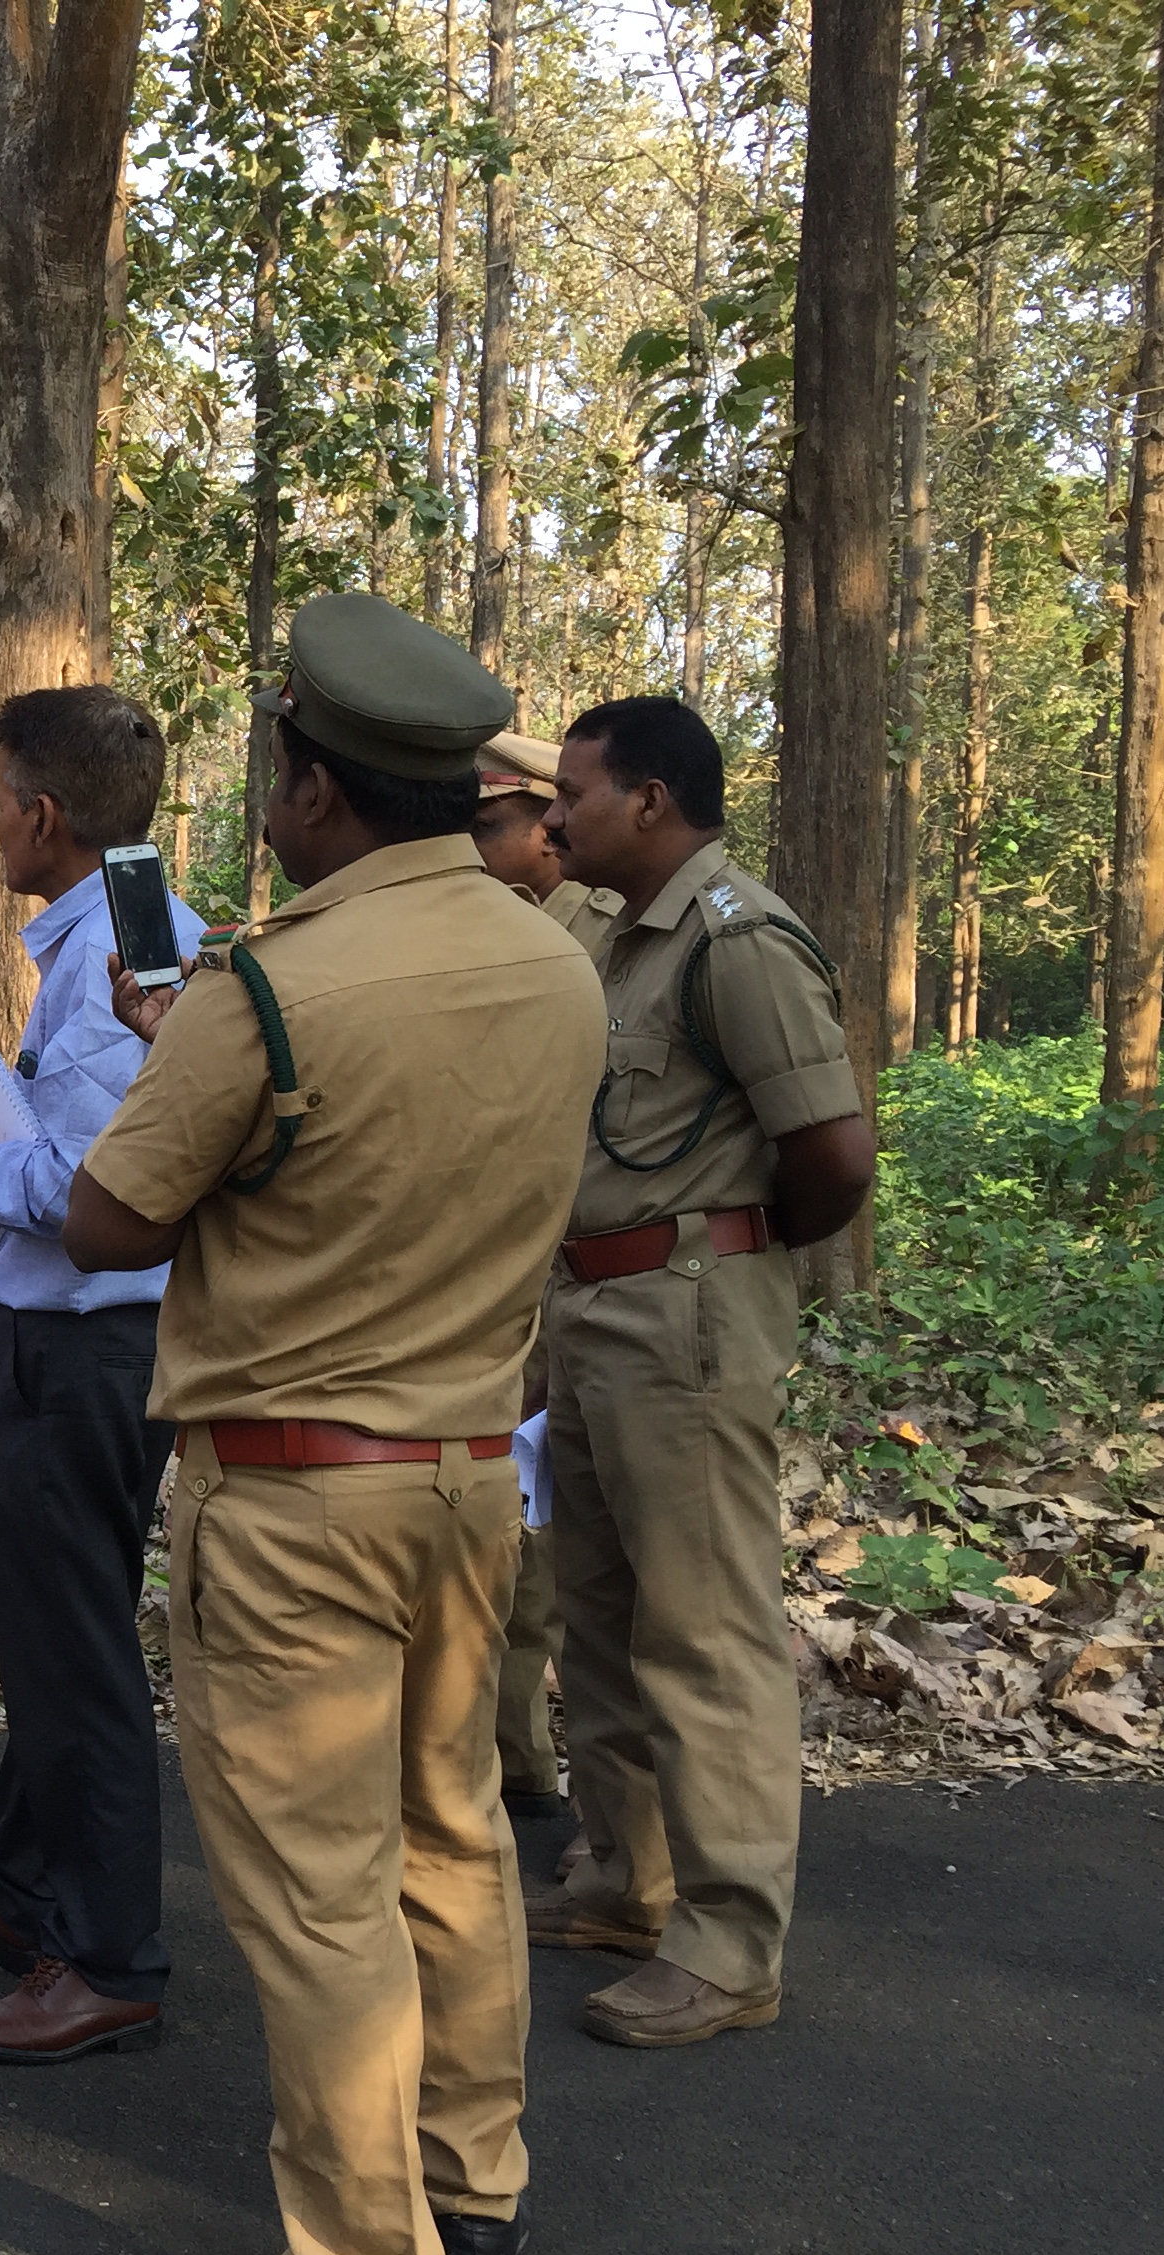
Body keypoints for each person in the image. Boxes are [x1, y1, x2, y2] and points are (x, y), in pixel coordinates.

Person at [64, 594, 604, 2255]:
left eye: (274, 767)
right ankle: (474, 2184)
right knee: (449, 1839)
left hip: (293, 1494)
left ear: (310, 787)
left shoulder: (267, 985)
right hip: (463, 1477)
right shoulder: (551, 964)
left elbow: (110, 1216)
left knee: (315, 1893)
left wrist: (189, 1060)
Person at [531, 695, 876, 2048]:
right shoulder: (624, 942)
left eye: (577, 793)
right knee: (601, 1616)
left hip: (685, 1320)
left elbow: (834, 1157)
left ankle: (732, 1946)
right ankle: (627, 1880)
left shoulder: (738, 939)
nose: (558, 816)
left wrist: (727, 1256)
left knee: (706, 1632)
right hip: (598, 1314)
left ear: (654, 801)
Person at [0, 686, 202, 2065]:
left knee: (75, 1640)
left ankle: (105, 1953)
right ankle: (23, 1877)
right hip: (81, 1330)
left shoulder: (116, 970)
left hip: (89, 1340)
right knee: (43, 1617)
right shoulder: (133, 920)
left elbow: (116, 1180)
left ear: (42, 814)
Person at [465, 730, 617, 1841]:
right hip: (502, 1284)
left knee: (568, 1556)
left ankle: (581, 1807)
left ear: (548, 831)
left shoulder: (611, 934)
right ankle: (514, 1767)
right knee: (502, 1537)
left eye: (489, 824)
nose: (472, 847)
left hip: (594, 1283)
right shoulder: (487, 937)